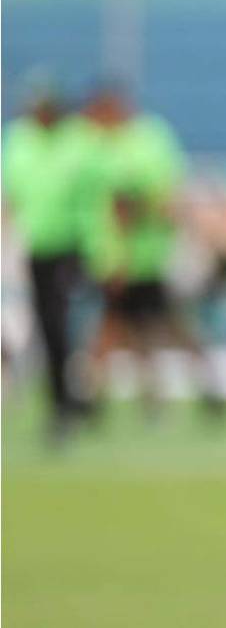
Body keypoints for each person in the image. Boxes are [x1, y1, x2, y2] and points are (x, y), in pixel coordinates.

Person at [78, 84, 223, 418]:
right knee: (130, 327)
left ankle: (103, 396)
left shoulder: (146, 140)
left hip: (148, 257)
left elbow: (159, 201)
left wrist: (133, 219)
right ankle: (138, 396)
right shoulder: (104, 144)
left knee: (151, 326)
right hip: (123, 258)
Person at [2, 85, 96, 442]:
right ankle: (65, 401)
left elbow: (93, 196)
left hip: (73, 247)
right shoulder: (19, 141)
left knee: (70, 324)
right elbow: (11, 196)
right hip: (37, 249)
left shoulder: (77, 140)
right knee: (51, 327)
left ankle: (74, 397)